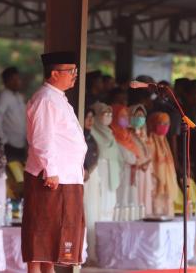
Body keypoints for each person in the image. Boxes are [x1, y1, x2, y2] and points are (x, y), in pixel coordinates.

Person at [22, 51, 86, 272]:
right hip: (49, 176)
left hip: (67, 176)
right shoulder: (45, 99)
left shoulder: (58, 98)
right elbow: (43, 137)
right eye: (71, 71)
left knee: (53, 239)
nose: (74, 76)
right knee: (40, 235)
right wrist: (50, 170)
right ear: (54, 73)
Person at [91, 102, 121, 220]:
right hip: (99, 174)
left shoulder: (110, 133)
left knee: (110, 205)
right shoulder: (91, 133)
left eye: (110, 113)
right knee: (99, 204)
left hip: (111, 175)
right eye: (104, 113)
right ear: (96, 115)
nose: (108, 116)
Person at [147, 112, 180, 216]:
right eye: (161, 123)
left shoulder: (164, 141)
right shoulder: (149, 141)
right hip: (155, 186)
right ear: (153, 124)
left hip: (166, 187)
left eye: (167, 123)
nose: (165, 126)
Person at [0, 66, 27, 163]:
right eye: (13, 79)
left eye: (18, 79)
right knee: (13, 173)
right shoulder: (5, 96)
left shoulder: (18, 96)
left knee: (20, 174)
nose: (17, 82)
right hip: (9, 144)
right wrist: (2, 138)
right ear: (6, 81)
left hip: (21, 143)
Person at [110, 104, 139, 208]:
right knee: (120, 201)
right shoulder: (112, 136)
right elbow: (130, 158)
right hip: (119, 173)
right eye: (122, 116)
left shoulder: (128, 135)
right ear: (114, 117)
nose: (125, 118)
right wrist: (135, 159)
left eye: (127, 116)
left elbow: (136, 155)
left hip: (129, 174)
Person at [82, 108, 100, 263]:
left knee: (91, 214)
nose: (90, 120)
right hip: (78, 178)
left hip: (90, 179)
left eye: (92, 117)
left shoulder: (92, 138)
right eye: (87, 117)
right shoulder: (77, 136)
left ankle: (90, 253)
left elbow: (95, 157)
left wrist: (89, 170)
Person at [129, 104, 153, 214]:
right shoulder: (127, 135)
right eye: (137, 115)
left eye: (142, 116)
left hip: (145, 171)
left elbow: (150, 154)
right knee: (136, 196)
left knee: (145, 196)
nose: (140, 118)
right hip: (135, 170)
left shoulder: (145, 136)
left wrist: (148, 163)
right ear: (131, 116)